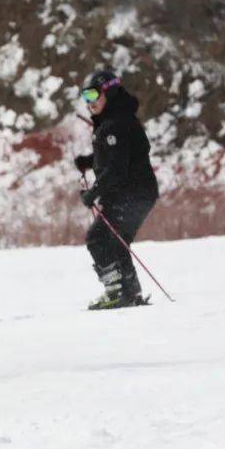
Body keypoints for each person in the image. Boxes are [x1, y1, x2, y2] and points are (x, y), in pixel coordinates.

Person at [74, 71, 159, 310]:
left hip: (132, 192)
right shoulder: (116, 120)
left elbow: (117, 168)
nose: (89, 102)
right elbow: (120, 156)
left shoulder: (115, 125)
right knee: (116, 240)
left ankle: (117, 291)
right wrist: (89, 161)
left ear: (108, 93)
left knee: (99, 238)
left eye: (93, 94)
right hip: (138, 191)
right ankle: (130, 291)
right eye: (85, 96)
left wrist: (94, 193)